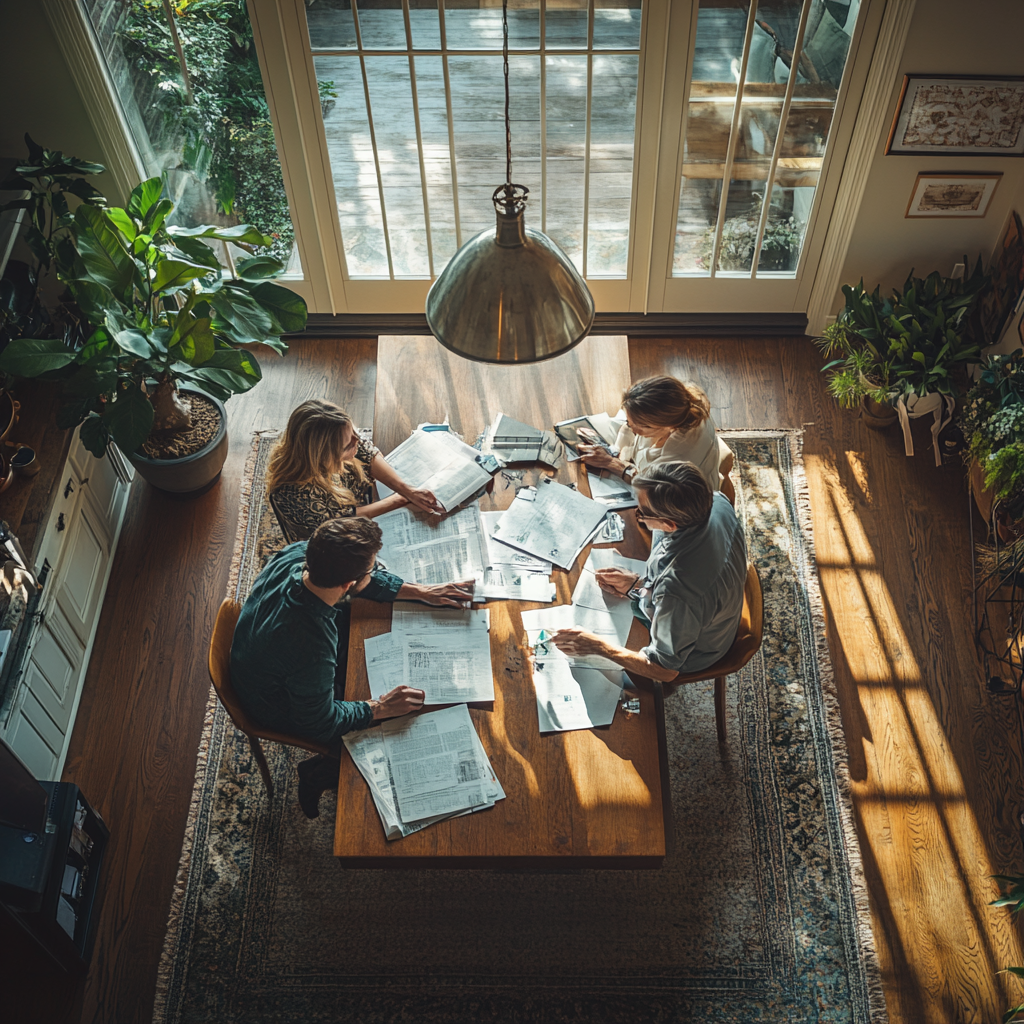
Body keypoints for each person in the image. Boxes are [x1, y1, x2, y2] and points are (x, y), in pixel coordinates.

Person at [230, 516, 474, 818]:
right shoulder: (311, 644)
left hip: (258, 653)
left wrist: (421, 592)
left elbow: (364, 582)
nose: (374, 572)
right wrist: (379, 707)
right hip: (272, 703)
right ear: (349, 583)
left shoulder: (300, 553)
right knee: (390, 728)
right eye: (372, 568)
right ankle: (318, 774)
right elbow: (318, 723)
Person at [551, 461, 747, 683]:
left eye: (641, 513)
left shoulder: (677, 591)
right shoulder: (717, 500)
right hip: (708, 611)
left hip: (695, 651)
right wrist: (640, 586)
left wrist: (597, 646)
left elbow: (664, 669)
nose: (638, 515)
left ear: (669, 524)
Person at [267, 399, 444, 542]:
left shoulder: (341, 440)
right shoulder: (296, 496)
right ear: (323, 455)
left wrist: (407, 489)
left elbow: (368, 453)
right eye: (348, 445)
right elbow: (344, 520)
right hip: (333, 536)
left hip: (353, 502)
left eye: (354, 432)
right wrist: (400, 499)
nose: (358, 441)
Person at [576, 375, 735, 503]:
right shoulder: (678, 404)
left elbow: (646, 483)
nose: (633, 429)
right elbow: (630, 422)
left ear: (669, 426)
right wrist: (613, 447)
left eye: (640, 425)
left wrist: (609, 462)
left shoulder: (676, 457)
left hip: (680, 496)